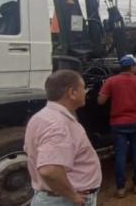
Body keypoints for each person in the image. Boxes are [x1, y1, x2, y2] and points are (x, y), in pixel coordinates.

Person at [25, 70, 101, 206]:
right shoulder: (58, 125)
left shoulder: (41, 117)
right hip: (63, 201)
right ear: (72, 92)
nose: (86, 92)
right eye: (84, 88)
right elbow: (50, 170)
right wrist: (73, 197)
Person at [98, 54, 136, 198]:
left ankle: (121, 188)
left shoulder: (111, 81)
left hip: (118, 124)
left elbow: (101, 101)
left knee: (120, 155)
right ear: (132, 67)